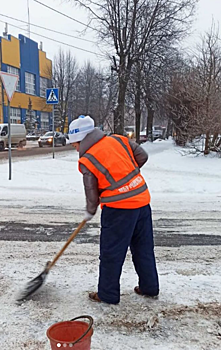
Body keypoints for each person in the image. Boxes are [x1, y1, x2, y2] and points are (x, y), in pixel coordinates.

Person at [68, 115, 159, 304]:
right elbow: (142, 156)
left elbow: (92, 193)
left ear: (83, 139)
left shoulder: (87, 160)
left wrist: (90, 210)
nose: (74, 147)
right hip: (142, 200)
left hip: (119, 209)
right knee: (143, 248)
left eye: (75, 143)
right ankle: (150, 287)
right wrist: (128, 176)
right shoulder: (119, 139)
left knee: (111, 253)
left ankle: (107, 295)